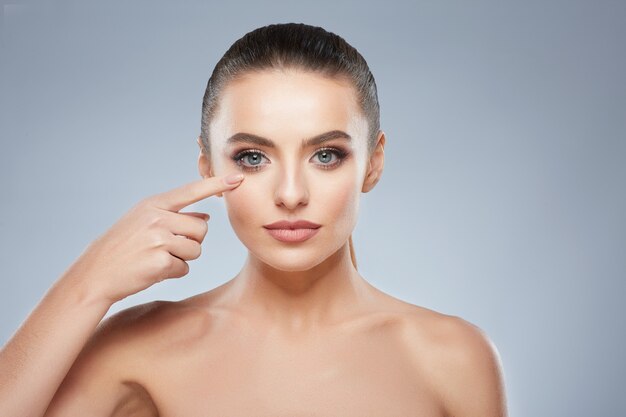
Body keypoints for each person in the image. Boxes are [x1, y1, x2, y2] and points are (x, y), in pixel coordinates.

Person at [0, 23, 508, 416]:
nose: (291, 194)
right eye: (252, 157)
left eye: (326, 155)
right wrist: (87, 284)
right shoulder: (137, 350)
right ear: (208, 166)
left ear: (373, 162)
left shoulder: (452, 356)